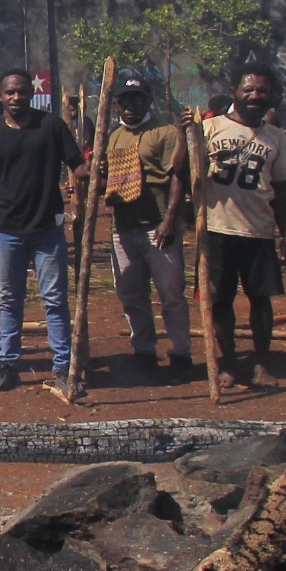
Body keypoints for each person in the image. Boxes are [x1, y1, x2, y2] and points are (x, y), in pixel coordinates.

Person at [0, 68, 84, 397]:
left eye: (22, 92)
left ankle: (64, 367)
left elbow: (77, 164)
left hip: (47, 228)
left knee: (55, 299)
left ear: (31, 94)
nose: (16, 97)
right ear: (1, 96)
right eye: (10, 92)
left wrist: (93, 171)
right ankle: (8, 366)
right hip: (6, 230)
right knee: (10, 300)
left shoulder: (51, 126)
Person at [199, 65, 286, 391]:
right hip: (217, 229)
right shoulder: (208, 128)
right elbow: (186, 174)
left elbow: (281, 189)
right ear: (234, 92)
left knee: (261, 299)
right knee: (219, 301)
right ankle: (228, 361)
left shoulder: (276, 137)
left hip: (258, 231)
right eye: (249, 89)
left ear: (271, 96)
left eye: (262, 91)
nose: (255, 95)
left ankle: (261, 361)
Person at [101, 70, 192, 378]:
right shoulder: (114, 136)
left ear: (149, 100)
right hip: (124, 227)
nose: (131, 107)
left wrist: (169, 220)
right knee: (131, 294)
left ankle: (181, 353)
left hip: (157, 225)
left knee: (171, 294)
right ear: (117, 104)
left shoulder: (165, 133)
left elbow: (178, 177)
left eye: (137, 100)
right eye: (125, 101)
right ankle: (143, 351)